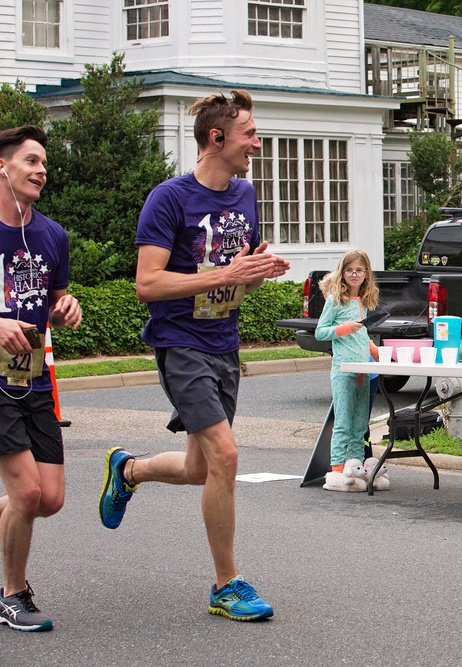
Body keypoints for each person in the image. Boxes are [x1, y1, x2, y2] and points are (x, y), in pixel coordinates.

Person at [98, 90, 289, 620]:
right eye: (249, 133)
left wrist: (255, 271)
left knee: (201, 468)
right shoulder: (169, 199)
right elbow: (147, 283)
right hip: (180, 344)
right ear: (217, 137)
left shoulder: (245, 194)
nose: (256, 142)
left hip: (224, 342)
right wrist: (225, 274)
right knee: (226, 457)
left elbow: (235, 273)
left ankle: (128, 469)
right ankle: (226, 585)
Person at [0, 125, 82, 632]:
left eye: (44, 163)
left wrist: (64, 307)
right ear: (3, 168)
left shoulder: (52, 235)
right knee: (26, 493)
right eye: (30, 161)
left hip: (34, 375)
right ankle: (13, 594)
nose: (41, 170)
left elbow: (51, 301)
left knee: (47, 499)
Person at [315, 250, 385, 492]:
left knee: (359, 425)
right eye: (349, 270)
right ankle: (336, 471)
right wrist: (344, 328)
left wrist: (372, 348)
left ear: (366, 274)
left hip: (362, 370)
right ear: (342, 272)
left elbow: (361, 333)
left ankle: (355, 468)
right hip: (343, 369)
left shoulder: (364, 302)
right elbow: (320, 332)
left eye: (359, 270)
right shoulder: (335, 300)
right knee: (343, 423)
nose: (354, 274)